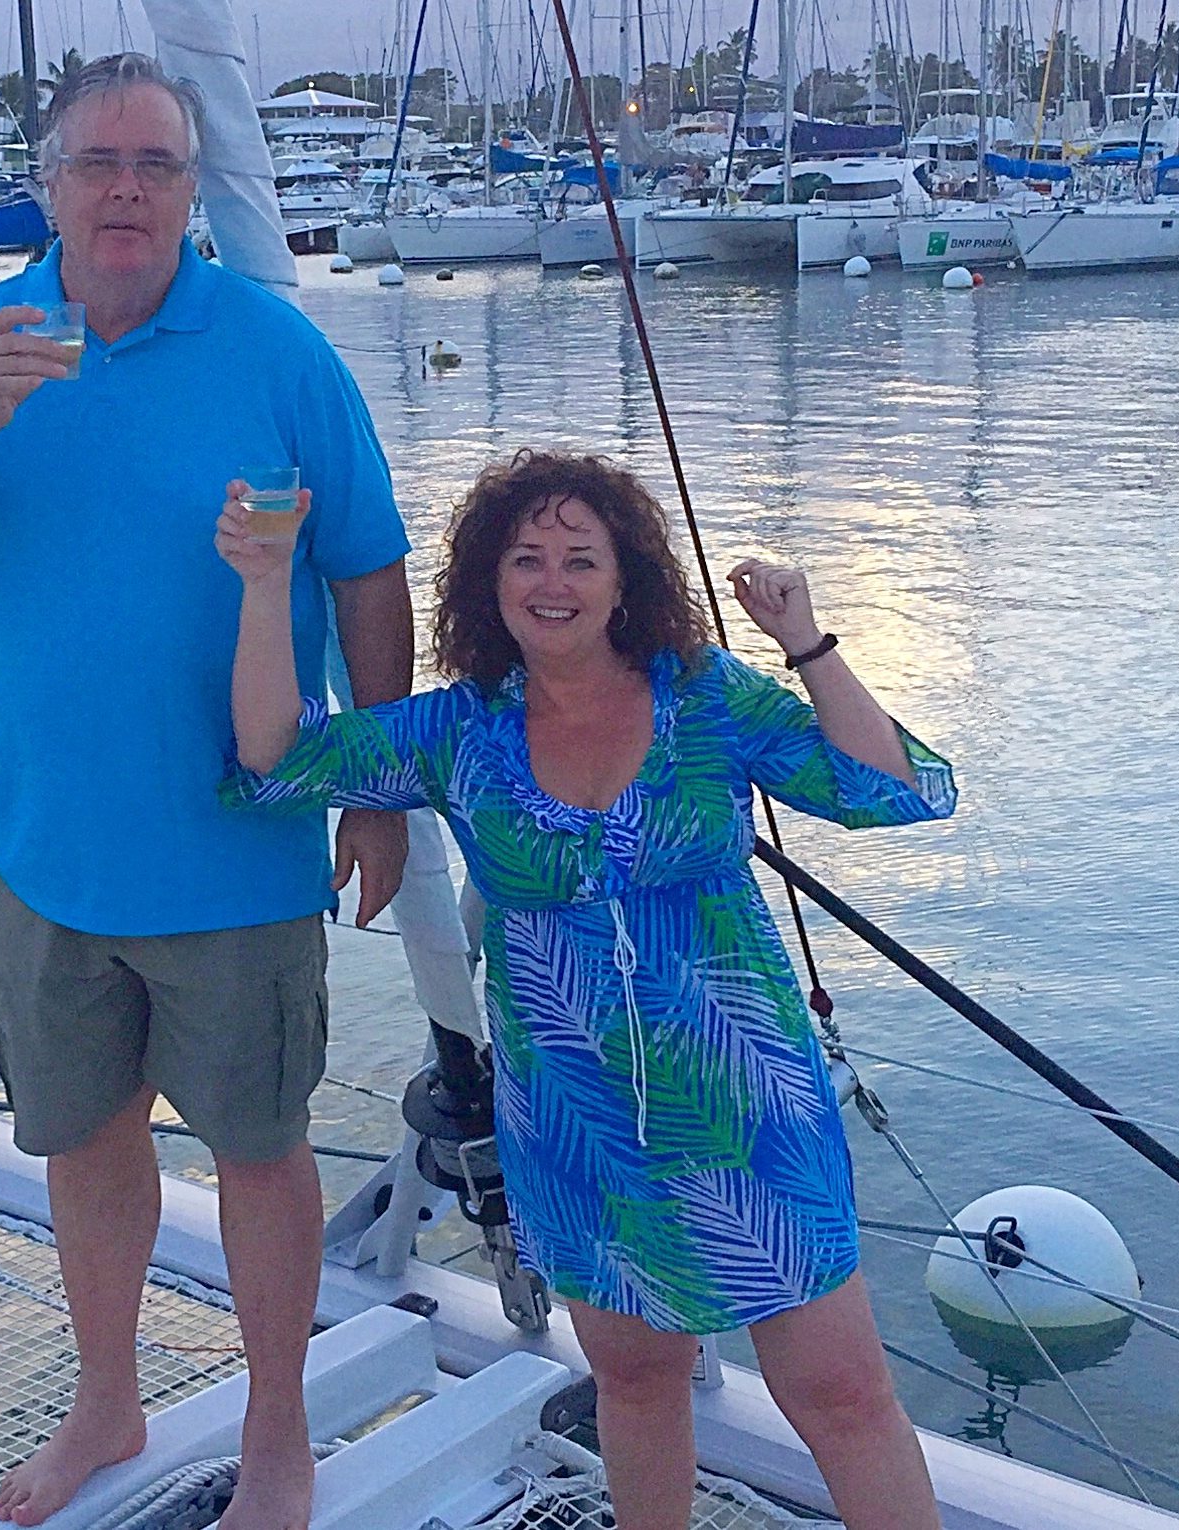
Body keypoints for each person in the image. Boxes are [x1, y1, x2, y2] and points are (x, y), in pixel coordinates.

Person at [0, 53, 414, 1530]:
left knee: (262, 1150)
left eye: (158, 165)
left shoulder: (276, 348)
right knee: (85, 1143)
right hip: (39, 852)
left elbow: (369, 566)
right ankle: (109, 1397)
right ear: (50, 187)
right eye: (99, 164)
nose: (128, 192)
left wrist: (381, 790)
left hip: (240, 850)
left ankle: (279, 1435)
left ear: (192, 186)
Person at [218, 450, 953, 1530]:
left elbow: (897, 792)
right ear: (490, 583)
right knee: (637, 1384)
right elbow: (277, 761)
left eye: (579, 558)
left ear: (624, 581)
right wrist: (264, 582)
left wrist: (807, 641)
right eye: (526, 559)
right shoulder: (465, 729)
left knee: (841, 1393)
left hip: (750, 1113)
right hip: (577, 1125)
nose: (552, 582)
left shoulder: (703, 695)